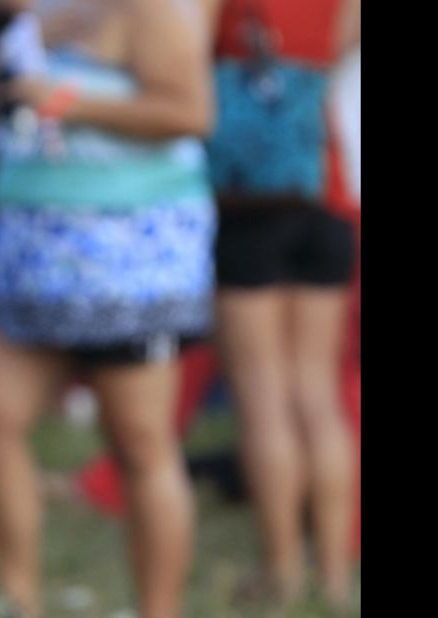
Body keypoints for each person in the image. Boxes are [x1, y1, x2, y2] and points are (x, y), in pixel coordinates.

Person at [0, 1, 216, 616]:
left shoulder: (149, 11)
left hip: (127, 265)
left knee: (139, 442)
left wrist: (66, 100)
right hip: (33, 260)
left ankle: (158, 609)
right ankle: (17, 598)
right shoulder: (39, 15)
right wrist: (17, 63)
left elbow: (191, 112)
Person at [200, 0, 360, 608]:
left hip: (250, 201)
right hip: (325, 190)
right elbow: (334, 53)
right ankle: (338, 580)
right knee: (318, 392)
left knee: (263, 397)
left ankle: (283, 571)